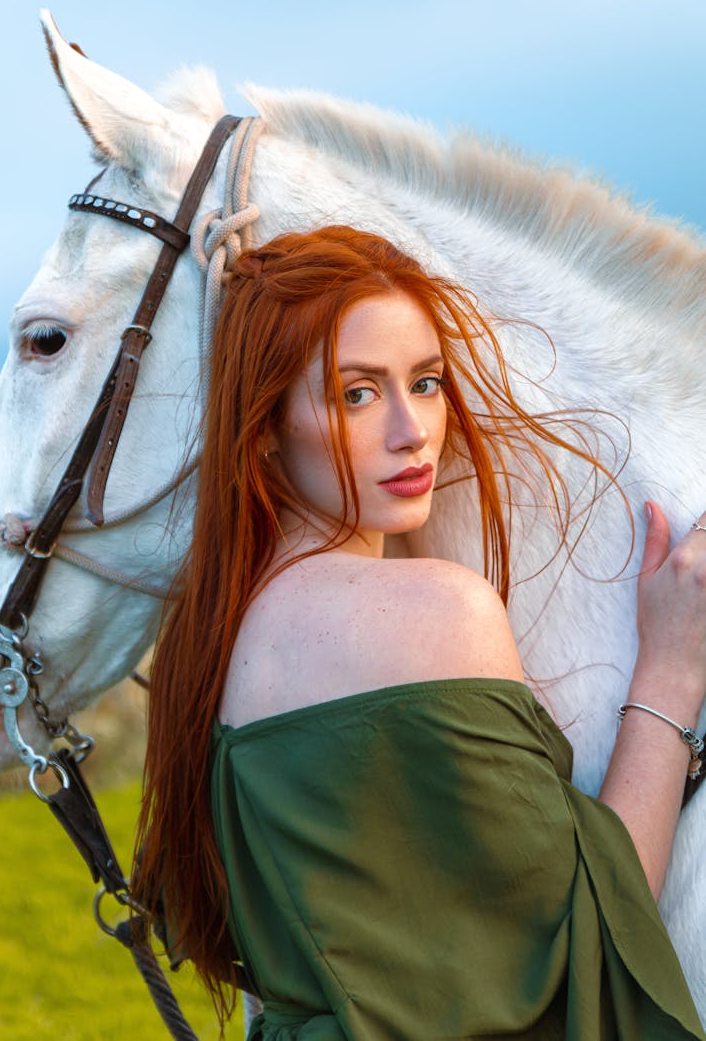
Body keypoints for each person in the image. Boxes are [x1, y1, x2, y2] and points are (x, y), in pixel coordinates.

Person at [134, 226, 706, 1040]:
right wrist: (674, 671)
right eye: (356, 394)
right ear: (263, 425)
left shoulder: (216, 637)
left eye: (427, 382)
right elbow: (586, 937)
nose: (413, 431)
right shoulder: (441, 613)